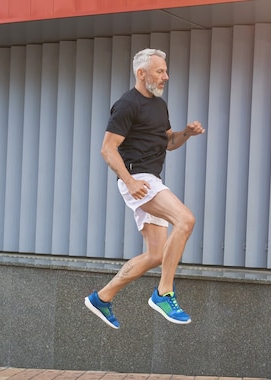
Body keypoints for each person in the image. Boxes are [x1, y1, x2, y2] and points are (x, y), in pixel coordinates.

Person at [84, 48, 205, 329]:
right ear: (142, 73)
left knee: (155, 255)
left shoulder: (159, 105)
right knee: (185, 220)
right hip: (139, 179)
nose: (166, 76)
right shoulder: (127, 104)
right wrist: (130, 181)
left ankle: (102, 298)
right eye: (160, 71)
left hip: (151, 179)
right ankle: (164, 293)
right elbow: (107, 149)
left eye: (165, 70)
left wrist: (186, 133)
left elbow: (168, 142)